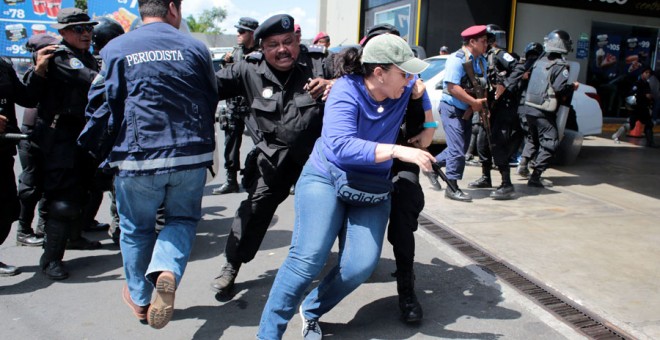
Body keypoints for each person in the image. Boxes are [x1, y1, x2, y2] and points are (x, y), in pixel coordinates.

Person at [257, 33, 433, 339]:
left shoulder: (404, 90)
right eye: (403, 72)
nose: (409, 78)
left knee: (360, 266)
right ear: (379, 72)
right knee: (307, 258)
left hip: (372, 186)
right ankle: (268, 334)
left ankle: (311, 310)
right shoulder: (345, 90)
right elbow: (340, 146)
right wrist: (395, 150)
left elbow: (427, 116)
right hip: (326, 176)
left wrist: (423, 112)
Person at [83, 0, 219, 328]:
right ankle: (166, 266)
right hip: (190, 154)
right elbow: (211, 95)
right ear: (173, 8)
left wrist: (97, 147)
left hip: (136, 155)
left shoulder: (116, 48)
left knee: (135, 228)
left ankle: (141, 300)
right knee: (182, 219)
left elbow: (100, 103)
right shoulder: (196, 47)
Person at [210, 14, 332, 295]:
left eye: (288, 42)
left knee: (338, 207)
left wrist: (333, 84)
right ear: (261, 48)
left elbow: (362, 74)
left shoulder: (320, 64)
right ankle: (232, 264)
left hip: (317, 159)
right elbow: (205, 87)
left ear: (298, 41)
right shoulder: (247, 70)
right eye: (273, 44)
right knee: (253, 210)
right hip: (273, 160)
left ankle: (349, 263)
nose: (282, 49)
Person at [359, 22, 434, 324]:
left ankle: (406, 288)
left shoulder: (410, 82)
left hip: (401, 156)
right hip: (362, 158)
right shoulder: (355, 83)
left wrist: (416, 103)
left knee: (405, 206)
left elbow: (427, 129)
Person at [22, 7, 101, 280]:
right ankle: (50, 259)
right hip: (60, 137)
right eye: (79, 29)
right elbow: (93, 82)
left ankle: (74, 237)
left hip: (82, 133)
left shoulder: (86, 55)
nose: (86, 33)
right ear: (63, 32)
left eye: (89, 28)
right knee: (62, 200)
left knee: (85, 191)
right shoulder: (61, 57)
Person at [0, 44, 53, 276]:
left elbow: (27, 98)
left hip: (3, 148)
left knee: (7, 209)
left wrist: (39, 70)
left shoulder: (3, 66)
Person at [432, 25, 489, 202]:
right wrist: (473, 103)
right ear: (472, 42)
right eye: (483, 41)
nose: (486, 44)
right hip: (452, 108)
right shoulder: (456, 59)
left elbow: (482, 86)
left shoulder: (481, 61)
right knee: (457, 150)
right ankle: (452, 187)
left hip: (467, 109)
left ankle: (432, 165)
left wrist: (481, 108)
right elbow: (452, 87)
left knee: (461, 148)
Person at [15, 34, 60, 248]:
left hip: (51, 137)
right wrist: (40, 69)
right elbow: (29, 99)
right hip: (32, 135)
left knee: (49, 183)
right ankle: (23, 230)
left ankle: (44, 226)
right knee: (30, 186)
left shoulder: (63, 71)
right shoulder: (35, 75)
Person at [521, 29, 578, 187]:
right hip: (543, 110)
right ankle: (536, 176)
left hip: (529, 108)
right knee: (551, 141)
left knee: (533, 138)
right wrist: (572, 86)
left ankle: (523, 164)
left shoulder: (540, 62)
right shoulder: (560, 65)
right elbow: (560, 89)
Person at [467, 24, 518, 200]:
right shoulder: (481, 58)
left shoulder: (499, 55)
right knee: (482, 142)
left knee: (498, 143)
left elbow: (519, 67)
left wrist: (505, 85)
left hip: (503, 108)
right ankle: (486, 177)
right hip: (489, 108)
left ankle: (506, 183)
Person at [212, 17, 259, 195]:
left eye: (242, 32)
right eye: (238, 31)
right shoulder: (234, 52)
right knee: (230, 146)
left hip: (252, 107)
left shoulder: (261, 53)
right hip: (234, 106)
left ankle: (256, 177)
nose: (238, 35)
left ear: (252, 34)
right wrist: (226, 64)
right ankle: (231, 181)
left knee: (261, 144)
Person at [507, 42, 544, 178]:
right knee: (532, 137)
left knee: (520, 135)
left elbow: (510, 85)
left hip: (519, 107)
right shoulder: (539, 68)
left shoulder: (521, 67)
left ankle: (517, 161)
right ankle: (524, 164)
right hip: (531, 107)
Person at [612, 66, 655, 147]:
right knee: (631, 125)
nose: (648, 74)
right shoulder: (638, 83)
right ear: (642, 74)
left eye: (649, 73)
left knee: (648, 124)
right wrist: (644, 95)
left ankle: (650, 142)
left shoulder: (646, 84)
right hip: (637, 108)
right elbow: (633, 94)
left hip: (644, 108)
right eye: (646, 73)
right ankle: (617, 135)